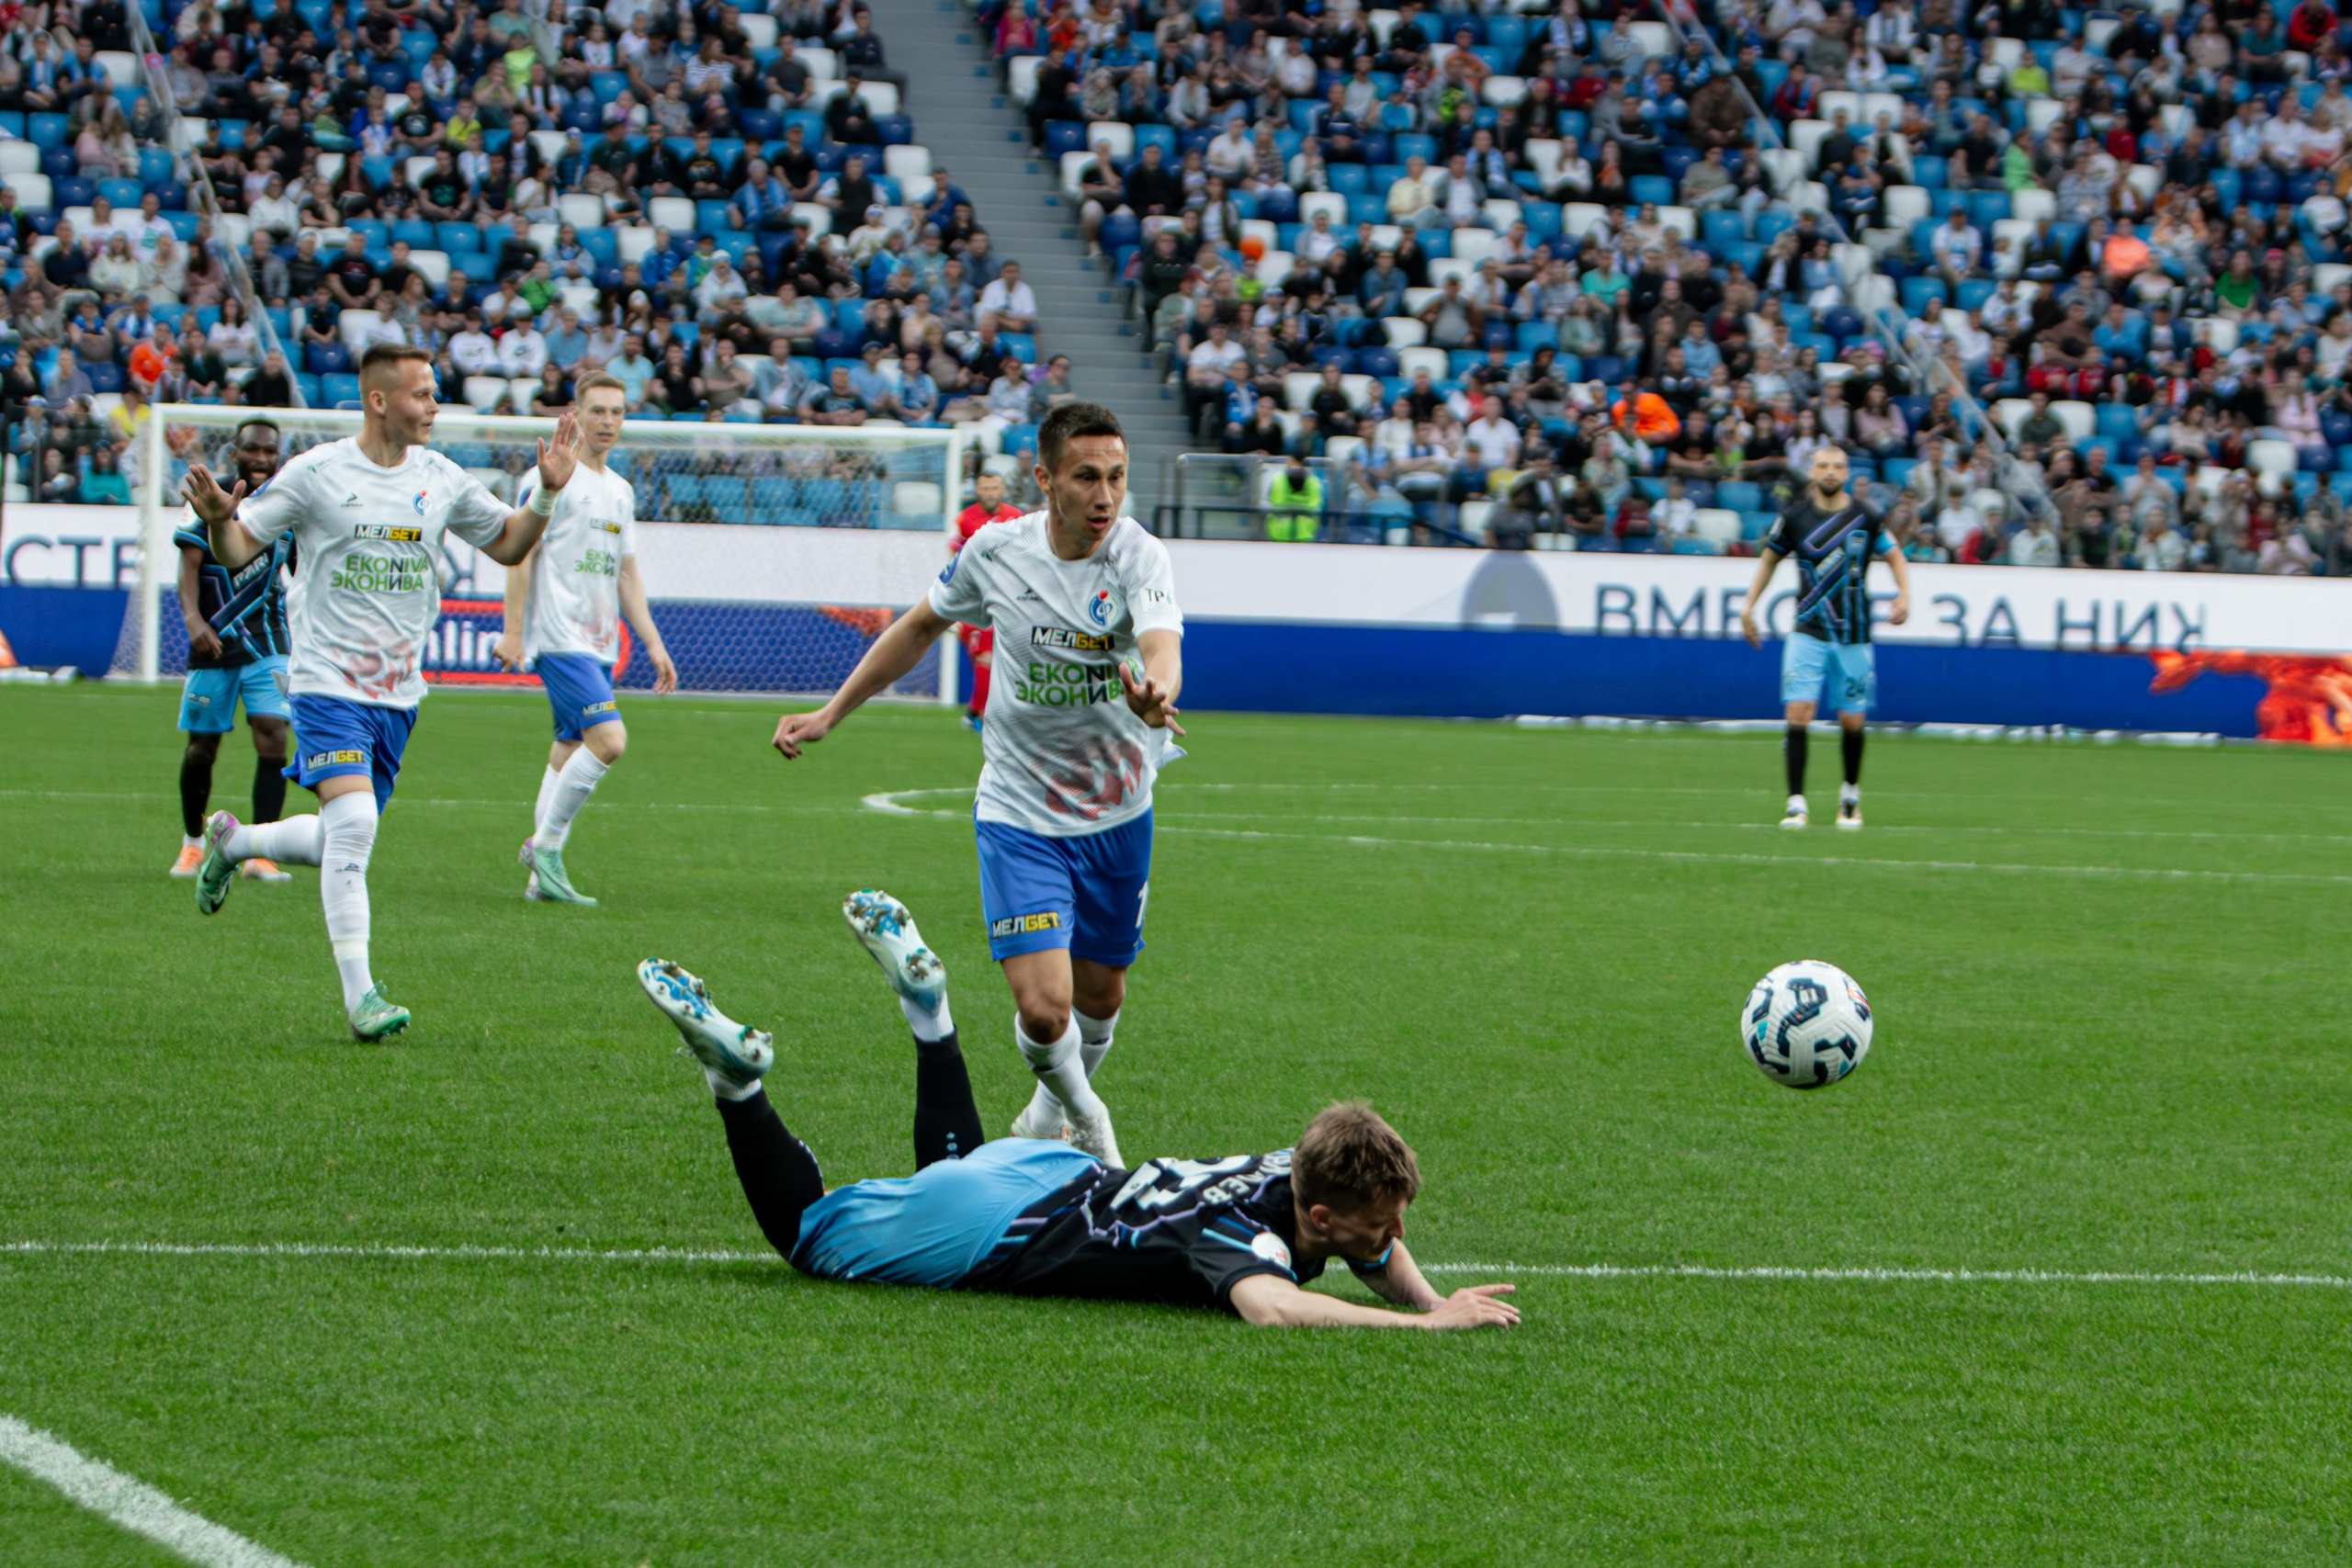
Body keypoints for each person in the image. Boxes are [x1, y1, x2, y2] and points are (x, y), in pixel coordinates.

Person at [633, 902, 1520, 1329]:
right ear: (1320, 1216)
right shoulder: (1251, 1243)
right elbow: (1275, 1309)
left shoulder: (1298, 1163)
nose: (1397, 1234)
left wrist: (1429, 1287)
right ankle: (737, 1081)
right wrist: (1425, 1324)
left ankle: (931, 1014)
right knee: (808, 1236)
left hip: (1051, 1172)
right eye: (1382, 1222)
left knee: (953, 1168)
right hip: (1009, 1221)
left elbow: (1366, 1240)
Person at [770, 404, 1183, 1168]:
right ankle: (1090, 1121)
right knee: (1043, 1003)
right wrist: (834, 710)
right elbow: (919, 627)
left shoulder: (1138, 555)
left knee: (1102, 998)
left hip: (1119, 808)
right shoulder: (995, 551)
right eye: (1086, 477)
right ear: (1045, 479)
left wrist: (1156, 691)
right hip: (1019, 810)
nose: (1105, 496)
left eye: (1117, 478)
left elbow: (1162, 643)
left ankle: (1042, 1116)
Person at [182, 344, 582, 1041]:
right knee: (358, 827)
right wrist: (220, 517)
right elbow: (239, 546)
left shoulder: (443, 478)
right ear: (378, 401)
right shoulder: (317, 474)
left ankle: (234, 840)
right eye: (422, 394)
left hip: (397, 693)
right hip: (324, 682)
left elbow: (512, 544)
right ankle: (361, 996)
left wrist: (545, 493)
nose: (434, 406)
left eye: (435, 393)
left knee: (342, 834)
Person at [492, 375, 679, 905]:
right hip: (558, 636)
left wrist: (653, 644)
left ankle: (540, 883)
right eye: (597, 411)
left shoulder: (620, 491)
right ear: (576, 413)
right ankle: (545, 848)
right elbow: (521, 551)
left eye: (617, 413)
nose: (607, 422)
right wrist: (512, 631)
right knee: (610, 741)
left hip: (600, 644)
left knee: (568, 748)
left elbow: (626, 575)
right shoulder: (552, 477)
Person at [1738, 445, 1913, 831]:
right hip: (1808, 630)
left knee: (1852, 719)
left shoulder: (1866, 517)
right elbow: (1768, 560)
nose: (1830, 472)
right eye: (1823, 466)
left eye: (1837, 466)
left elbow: (1895, 554)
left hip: (1853, 635)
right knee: (1797, 713)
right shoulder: (1794, 518)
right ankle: (1796, 804)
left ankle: (1850, 796)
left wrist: (1904, 593)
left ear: (1847, 472)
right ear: (1812, 471)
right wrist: (1749, 605)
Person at [169, 421, 293, 883]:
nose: (261, 458)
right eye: (252, 449)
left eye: (269, 450)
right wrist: (193, 621)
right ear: (236, 453)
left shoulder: (288, 506)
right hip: (215, 641)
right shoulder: (209, 497)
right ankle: (193, 844)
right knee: (202, 750)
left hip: (269, 641)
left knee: (273, 735)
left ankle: (262, 852)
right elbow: (189, 564)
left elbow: (306, 564)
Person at [952, 468, 1023, 731]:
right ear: (977, 490)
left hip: (1006, 596)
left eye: (995, 488)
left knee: (988, 657)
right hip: (975, 597)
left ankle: (976, 713)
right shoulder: (966, 519)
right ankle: (980, 715)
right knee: (981, 657)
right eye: (985, 488)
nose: (990, 492)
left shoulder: (1016, 518)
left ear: (1002, 490)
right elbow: (954, 557)